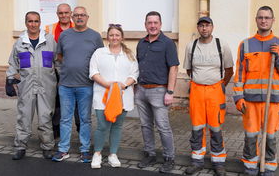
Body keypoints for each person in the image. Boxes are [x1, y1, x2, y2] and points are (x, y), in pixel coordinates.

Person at [233, 6, 279, 176]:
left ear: (273, 20)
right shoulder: (245, 44)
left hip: (272, 100)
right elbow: (239, 74)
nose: (264, 20)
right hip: (250, 100)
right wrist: (238, 97)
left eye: (267, 17)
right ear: (256, 20)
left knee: (270, 136)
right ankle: (251, 165)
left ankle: (268, 167)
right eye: (260, 17)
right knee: (251, 135)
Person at [183, 17, 234, 176]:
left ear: (212, 27)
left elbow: (229, 70)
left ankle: (218, 162)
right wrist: (200, 80)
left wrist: (220, 85)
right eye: (201, 26)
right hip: (196, 91)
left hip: (215, 91)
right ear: (198, 28)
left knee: (215, 127)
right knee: (197, 127)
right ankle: (197, 161)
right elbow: (189, 70)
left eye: (207, 25)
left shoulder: (221, 44)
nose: (204, 28)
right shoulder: (191, 46)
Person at [52, 6, 104, 163]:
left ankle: (85, 150)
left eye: (83, 15)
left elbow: (100, 58)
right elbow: (59, 55)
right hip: (65, 85)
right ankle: (63, 150)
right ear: (72, 18)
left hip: (86, 85)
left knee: (85, 119)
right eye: (76, 15)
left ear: (88, 17)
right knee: (65, 119)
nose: (79, 17)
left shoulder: (95, 36)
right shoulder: (64, 35)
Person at [6, 11, 57, 160]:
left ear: (40, 23)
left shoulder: (49, 40)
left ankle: (47, 147)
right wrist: (10, 79)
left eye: (36, 21)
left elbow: (58, 62)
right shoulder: (20, 42)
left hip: (46, 87)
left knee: (45, 118)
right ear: (26, 23)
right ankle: (21, 146)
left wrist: (61, 81)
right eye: (30, 21)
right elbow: (13, 64)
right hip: (26, 86)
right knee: (24, 118)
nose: (33, 24)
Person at [89, 24, 139, 168]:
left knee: (117, 126)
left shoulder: (129, 55)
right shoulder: (99, 53)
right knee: (103, 126)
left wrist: (122, 85)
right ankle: (97, 154)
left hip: (123, 96)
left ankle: (113, 154)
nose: (114, 37)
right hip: (102, 96)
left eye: (117, 35)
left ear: (122, 37)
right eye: (111, 35)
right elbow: (93, 72)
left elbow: (134, 74)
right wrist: (107, 84)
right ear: (107, 37)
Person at [135, 11, 179, 173]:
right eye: (149, 23)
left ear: (160, 24)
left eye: (155, 22)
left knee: (163, 126)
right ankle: (150, 154)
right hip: (141, 90)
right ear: (145, 24)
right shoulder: (141, 43)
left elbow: (173, 68)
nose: (152, 25)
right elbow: (137, 66)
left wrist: (170, 91)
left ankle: (169, 157)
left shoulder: (167, 43)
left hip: (159, 91)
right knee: (145, 125)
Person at [45, 3, 80, 139]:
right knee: (56, 103)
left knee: (77, 104)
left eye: (66, 13)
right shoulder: (49, 29)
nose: (64, 15)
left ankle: (80, 129)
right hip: (55, 71)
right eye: (61, 13)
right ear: (57, 14)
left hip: (74, 72)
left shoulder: (78, 27)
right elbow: (46, 51)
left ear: (71, 13)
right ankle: (55, 130)